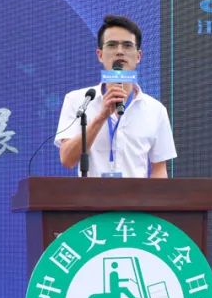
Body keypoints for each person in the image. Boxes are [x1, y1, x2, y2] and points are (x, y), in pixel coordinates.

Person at [55, 15, 176, 178]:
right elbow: (67, 159)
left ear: (138, 56)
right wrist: (101, 117)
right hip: (90, 195)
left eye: (127, 45)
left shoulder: (156, 110)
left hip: (136, 195)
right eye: (112, 45)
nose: (119, 51)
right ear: (100, 55)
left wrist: (153, 195)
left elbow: (159, 169)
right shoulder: (78, 100)